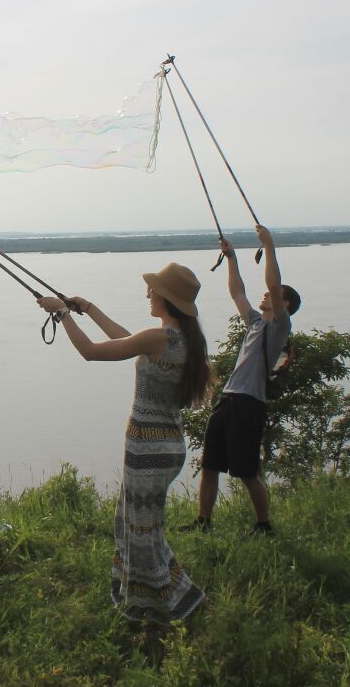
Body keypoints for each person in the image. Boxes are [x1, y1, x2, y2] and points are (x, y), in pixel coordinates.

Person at [37, 262, 209, 624]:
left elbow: (92, 351)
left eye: (153, 289)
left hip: (148, 450)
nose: (148, 293)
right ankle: (147, 600)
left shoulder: (160, 338)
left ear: (167, 298)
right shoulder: (179, 340)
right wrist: (90, 308)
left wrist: (64, 314)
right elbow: (128, 341)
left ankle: (162, 606)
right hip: (167, 447)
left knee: (142, 533)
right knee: (142, 528)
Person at [188, 225, 301, 536]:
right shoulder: (254, 323)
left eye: (274, 295)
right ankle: (203, 522)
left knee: (247, 471)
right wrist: (232, 257)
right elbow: (237, 292)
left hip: (250, 403)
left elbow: (273, 281)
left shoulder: (280, 325)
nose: (266, 294)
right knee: (210, 465)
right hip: (227, 399)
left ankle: (263, 525)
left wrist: (270, 246)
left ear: (285, 305)